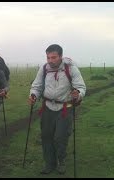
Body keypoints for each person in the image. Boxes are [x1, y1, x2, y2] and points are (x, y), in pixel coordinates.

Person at [28, 44, 86, 174]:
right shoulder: (44, 69)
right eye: (48, 57)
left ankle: (61, 161)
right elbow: (36, 86)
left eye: (53, 57)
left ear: (61, 56)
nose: (50, 60)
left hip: (65, 107)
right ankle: (49, 164)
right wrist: (33, 95)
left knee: (60, 137)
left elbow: (81, 87)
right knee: (46, 136)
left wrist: (78, 93)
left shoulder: (71, 68)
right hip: (47, 107)